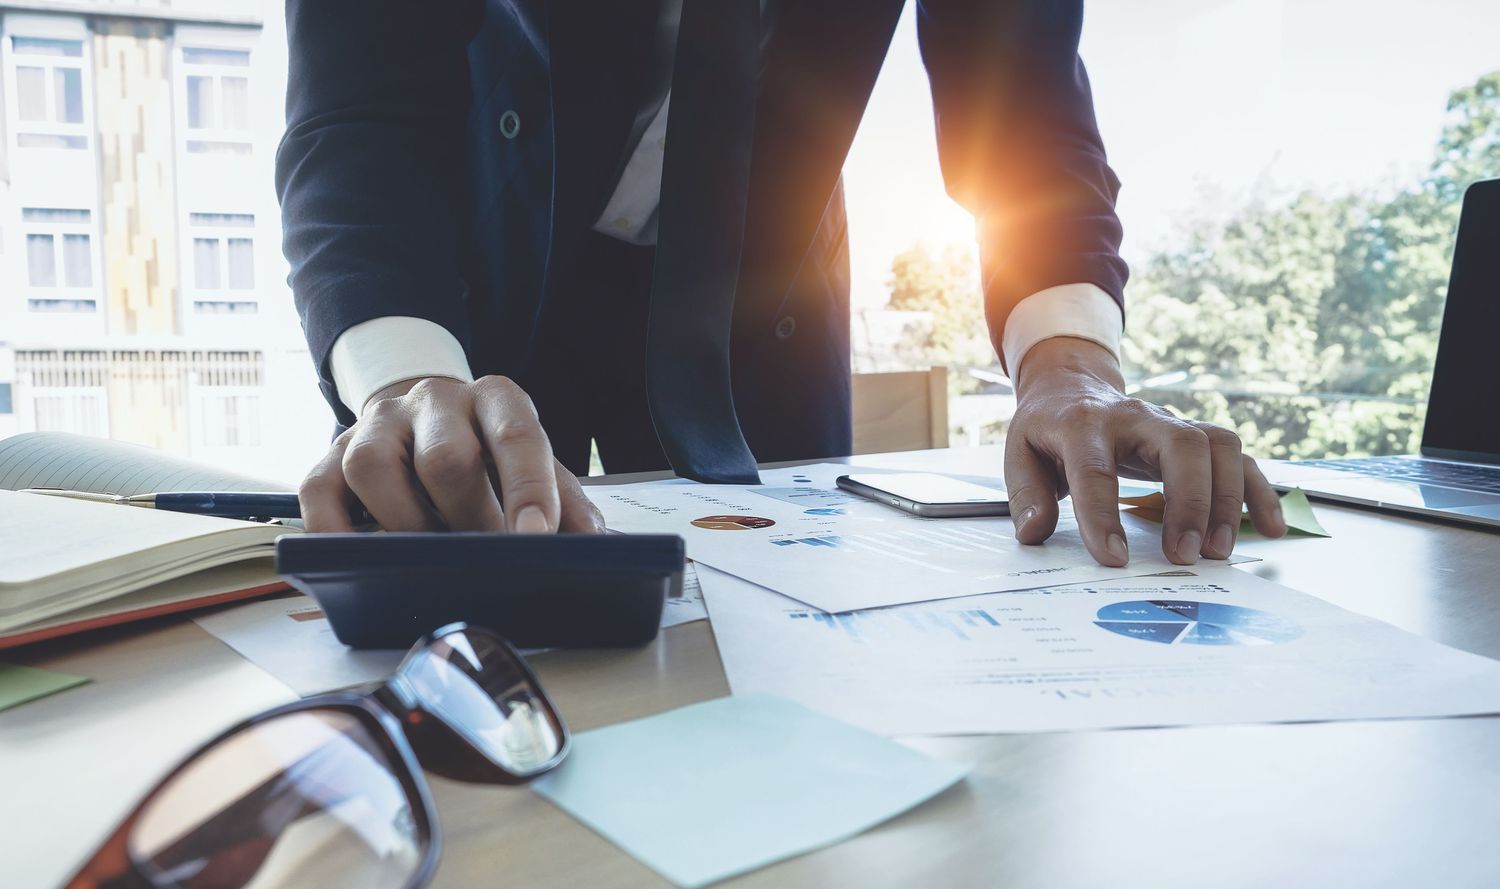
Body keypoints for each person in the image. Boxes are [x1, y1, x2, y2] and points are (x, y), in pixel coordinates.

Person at [276, 0, 1287, 566]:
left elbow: (1021, 108)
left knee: (788, 647)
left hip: (761, 309)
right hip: (480, 298)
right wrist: (403, 378)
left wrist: (1071, 365)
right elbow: (361, 107)